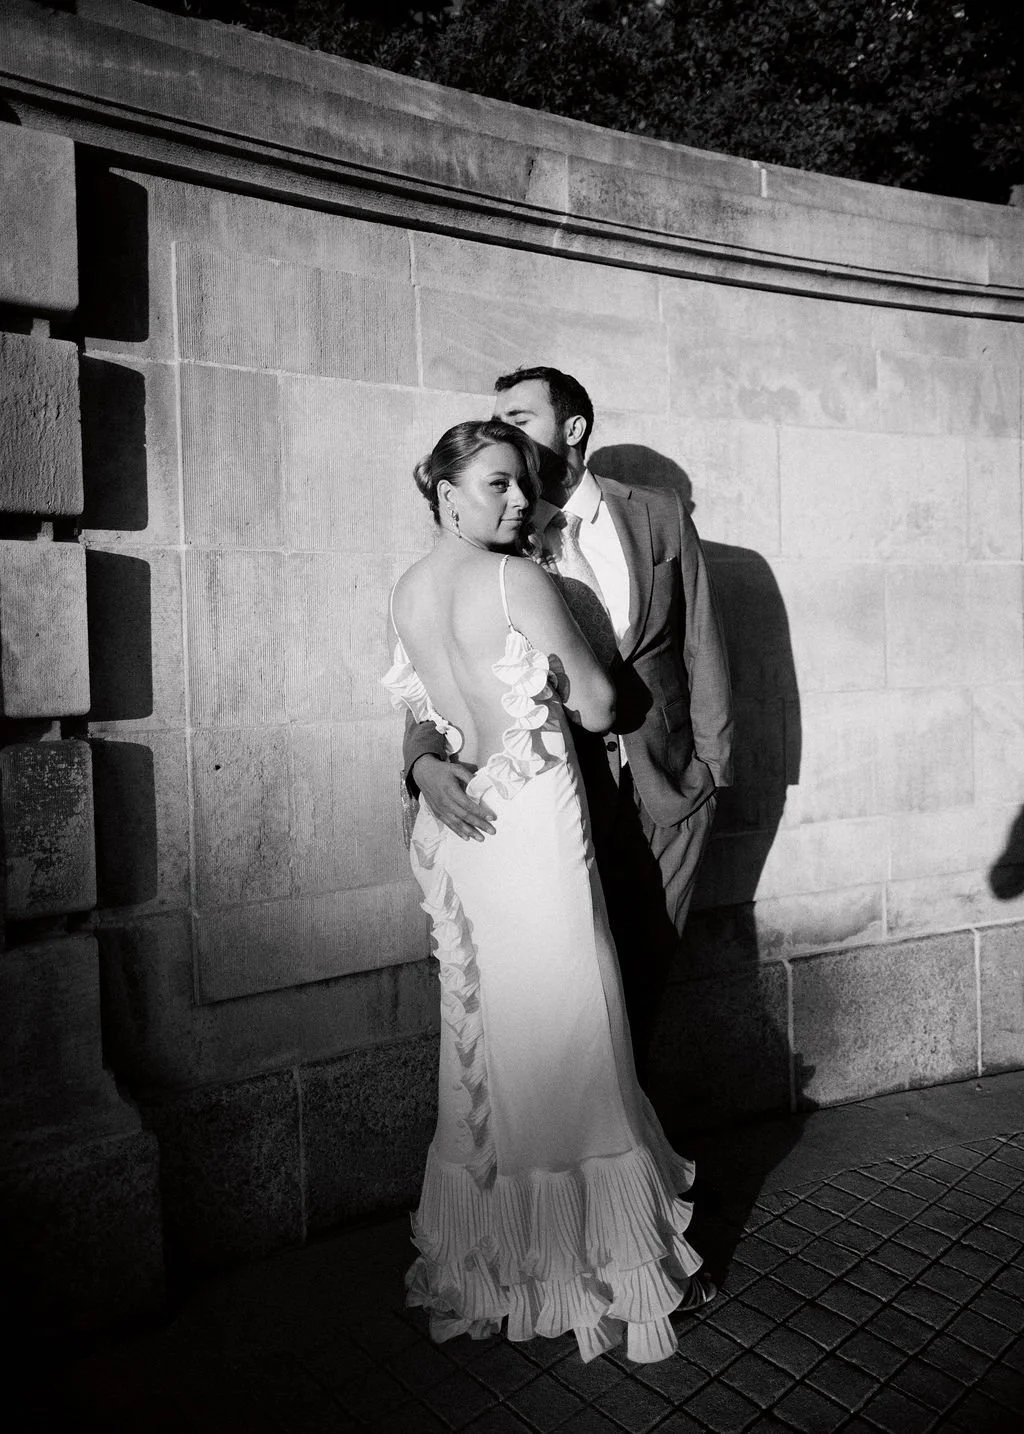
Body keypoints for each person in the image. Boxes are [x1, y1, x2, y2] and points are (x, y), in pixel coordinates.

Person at [383, 419, 714, 1365]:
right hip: (526, 826)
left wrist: (430, 765)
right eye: (496, 484)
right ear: (443, 489)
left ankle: (508, 1265)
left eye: (524, 485)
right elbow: (602, 704)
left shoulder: (407, 589)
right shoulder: (517, 578)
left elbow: (425, 715)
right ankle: (605, 1277)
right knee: (575, 1033)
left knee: (495, 1042)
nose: (518, 501)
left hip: (462, 828)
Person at [405, 369, 734, 1079]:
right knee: (578, 991)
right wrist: (422, 762)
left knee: (645, 974)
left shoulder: (658, 513)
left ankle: (631, 1142)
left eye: (520, 417)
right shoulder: (498, 531)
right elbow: (434, 669)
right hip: (559, 800)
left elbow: (701, 639)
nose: (504, 434)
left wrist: (712, 767)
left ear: (573, 427)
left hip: (669, 785)